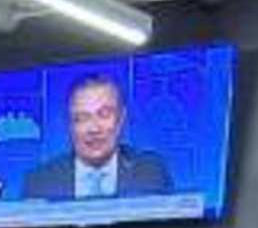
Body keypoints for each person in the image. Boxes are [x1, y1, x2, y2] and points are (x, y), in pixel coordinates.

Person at [19, 73, 169, 200]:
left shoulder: (151, 171)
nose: (94, 129)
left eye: (104, 115)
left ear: (121, 119)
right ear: (69, 125)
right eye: (82, 117)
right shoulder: (38, 181)